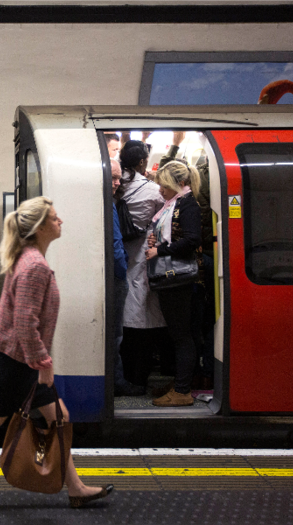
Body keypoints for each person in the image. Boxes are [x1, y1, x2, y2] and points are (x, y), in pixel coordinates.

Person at [0, 196, 113, 513]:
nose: (61, 222)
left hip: (23, 358)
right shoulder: (35, 266)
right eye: (56, 218)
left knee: (59, 417)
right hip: (16, 361)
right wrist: (43, 363)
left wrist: (39, 361)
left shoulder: (31, 258)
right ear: (41, 226)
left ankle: (75, 488)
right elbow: (23, 323)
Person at [145, 161, 202, 407]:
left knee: (181, 335)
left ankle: (182, 391)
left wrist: (160, 249)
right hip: (173, 277)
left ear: (179, 184)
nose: (160, 190)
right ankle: (181, 382)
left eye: (164, 186)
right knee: (178, 333)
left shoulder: (187, 204)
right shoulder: (174, 204)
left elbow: (191, 240)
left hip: (179, 278)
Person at [117, 141, 170, 396]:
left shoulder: (117, 186)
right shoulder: (151, 190)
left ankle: (125, 377)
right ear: (141, 163)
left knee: (124, 321)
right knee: (143, 319)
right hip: (141, 255)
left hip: (120, 255)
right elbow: (167, 208)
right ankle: (138, 379)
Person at [110, 160, 133, 397]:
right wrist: (123, 271)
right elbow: (116, 245)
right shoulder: (109, 205)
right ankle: (117, 382)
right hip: (115, 278)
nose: (117, 184)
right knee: (116, 334)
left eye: (119, 179)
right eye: (113, 178)